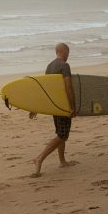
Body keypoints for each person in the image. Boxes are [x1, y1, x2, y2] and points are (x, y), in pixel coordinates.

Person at [30, 43, 76, 177]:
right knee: (62, 135)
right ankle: (39, 158)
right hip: (63, 105)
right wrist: (72, 106)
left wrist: (36, 107)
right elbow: (68, 87)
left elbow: (46, 89)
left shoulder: (49, 66)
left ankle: (62, 161)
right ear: (63, 51)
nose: (68, 55)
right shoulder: (64, 66)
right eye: (68, 52)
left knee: (61, 133)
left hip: (54, 105)